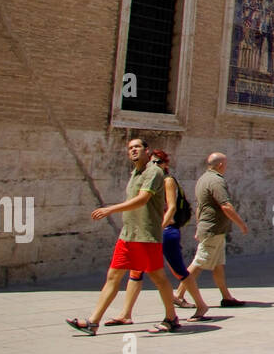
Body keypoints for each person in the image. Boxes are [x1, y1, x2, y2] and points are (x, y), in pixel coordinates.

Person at [65, 138, 184, 335]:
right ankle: (93, 322)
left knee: (158, 277)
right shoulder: (135, 173)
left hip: (146, 236)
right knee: (113, 276)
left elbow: (143, 199)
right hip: (128, 235)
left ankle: (171, 318)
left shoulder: (154, 171)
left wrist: (110, 209)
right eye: (130, 148)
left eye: (137, 147)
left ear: (147, 151)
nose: (133, 150)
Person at [104, 150, 209, 324]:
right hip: (147, 233)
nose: (154, 164)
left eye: (158, 161)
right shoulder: (147, 178)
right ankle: (126, 314)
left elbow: (172, 207)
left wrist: (160, 227)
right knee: (135, 271)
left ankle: (200, 305)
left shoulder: (167, 180)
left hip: (165, 232)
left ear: (165, 163)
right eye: (151, 161)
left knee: (177, 270)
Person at [175, 152, 249, 308]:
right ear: (221, 165)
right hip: (213, 228)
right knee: (199, 262)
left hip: (211, 228)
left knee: (218, 264)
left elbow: (200, 207)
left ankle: (226, 297)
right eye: (226, 164)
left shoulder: (203, 179)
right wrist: (241, 224)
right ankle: (178, 295)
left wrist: (198, 225)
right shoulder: (216, 181)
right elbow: (225, 205)